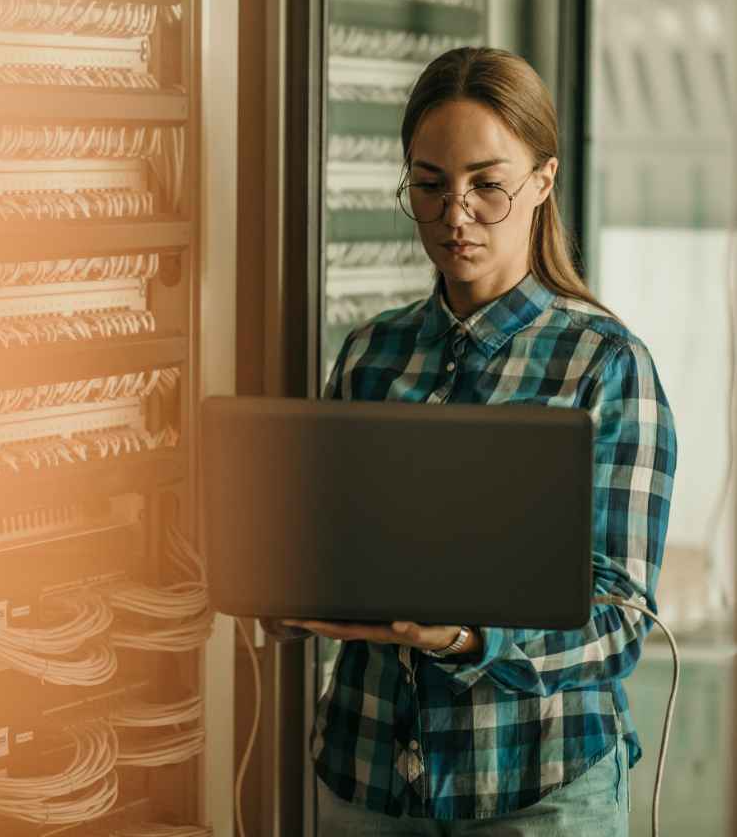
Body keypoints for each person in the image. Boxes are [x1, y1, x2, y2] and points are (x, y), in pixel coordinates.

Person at [262, 46, 677, 836]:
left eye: (488, 185)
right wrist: (280, 586)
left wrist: (469, 639)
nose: (456, 216)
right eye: (430, 186)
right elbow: (327, 555)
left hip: (538, 790)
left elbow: (621, 619)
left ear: (543, 182)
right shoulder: (370, 355)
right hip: (364, 779)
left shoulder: (607, 366)